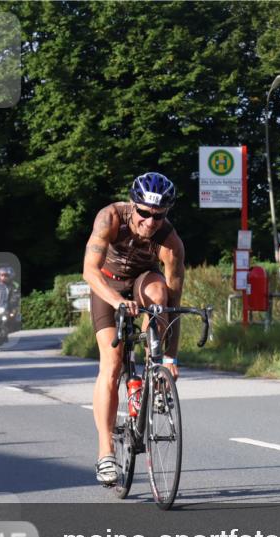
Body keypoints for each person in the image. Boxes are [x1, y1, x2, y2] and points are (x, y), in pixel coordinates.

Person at [84, 172, 186, 486]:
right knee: (112, 365)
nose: (150, 221)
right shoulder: (110, 217)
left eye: (159, 215)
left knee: (160, 296)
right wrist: (116, 301)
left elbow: (174, 306)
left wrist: (169, 358)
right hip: (107, 286)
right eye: (144, 213)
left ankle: (152, 368)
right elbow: (89, 271)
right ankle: (105, 453)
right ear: (133, 205)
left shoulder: (170, 244)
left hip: (143, 280)